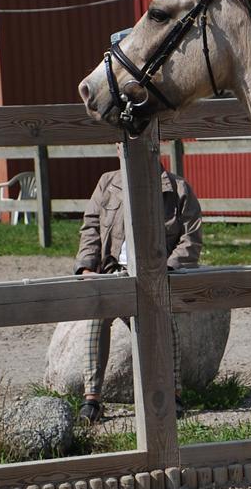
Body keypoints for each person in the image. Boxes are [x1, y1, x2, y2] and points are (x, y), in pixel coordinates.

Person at [74, 150, 203, 424]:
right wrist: (87, 266)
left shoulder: (178, 189)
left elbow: (191, 240)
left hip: (156, 274)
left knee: (163, 321)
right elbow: (91, 227)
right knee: (97, 317)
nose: (127, 148)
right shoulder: (107, 183)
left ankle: (174, 395)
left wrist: (167, 269)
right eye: (122, 144)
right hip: (114, 272)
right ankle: (92, 399)